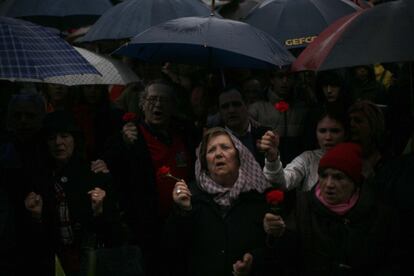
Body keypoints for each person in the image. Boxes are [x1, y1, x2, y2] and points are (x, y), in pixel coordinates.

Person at [261, 142, 401, 275]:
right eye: (323, 175)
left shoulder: (379, 215)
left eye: (338, 178)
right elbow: (288, 259)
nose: (329, 184)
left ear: (355, 182)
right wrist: (278, 234)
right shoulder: (302, 206)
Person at [103, 78, 196, 275]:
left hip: (183, 224)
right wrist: (124, 144)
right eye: (152, 99)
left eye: (164, 100)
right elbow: (111, 167)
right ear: (142, 104)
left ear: (172, 106)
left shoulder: (186, 132)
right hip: (147, 229)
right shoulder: (129, 135)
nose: (158, 105)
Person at [24, 111, 121, 276]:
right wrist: (36, 216)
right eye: (51, 138)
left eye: (64, 136)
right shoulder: (38, 179)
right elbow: (33, 240)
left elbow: (114, 232)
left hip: (91, 259)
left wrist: (99, 210)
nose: (58, 142)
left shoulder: (94, 172)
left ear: (75, 139)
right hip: (54, 261)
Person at [166, 127, 272, 276]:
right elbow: (173, 248)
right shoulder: (190, 196)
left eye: (225, 147)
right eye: (211, 151)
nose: (218, 154)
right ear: (205, 163)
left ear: (239, 157)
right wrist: (183, 212)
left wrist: (254, 260)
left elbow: (271, 249)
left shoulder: (255, 195)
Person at [261, 109, 348, 192]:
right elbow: (283, 182)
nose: (328, 137)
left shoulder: (354, 159)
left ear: (345, 134)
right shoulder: (308, 159)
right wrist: (272, 158)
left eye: (335, 131)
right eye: (322, 131)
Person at [212, 87, 271, 167]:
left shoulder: (265, 134)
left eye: (236, 104)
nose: (231, 110)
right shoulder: (213, 140)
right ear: (219, 111)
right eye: (225, 106)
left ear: (246, 105)